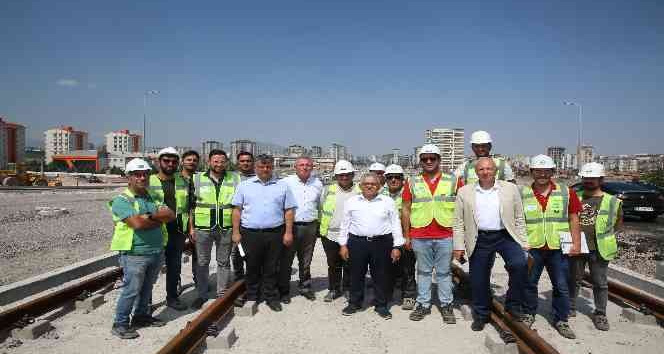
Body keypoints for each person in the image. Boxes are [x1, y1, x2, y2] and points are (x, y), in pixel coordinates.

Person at [453, 157, 528, 331]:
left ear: (495, 170)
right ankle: (481, 314)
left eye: (489, 169)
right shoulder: (465, 192)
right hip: (480, 238)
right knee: (478, 278)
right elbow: (457, 222)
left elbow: (519, 217)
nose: (485, 172)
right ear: (476, 172)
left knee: (519, 264)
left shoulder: (510, 189)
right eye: (481, 169)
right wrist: (458, 246)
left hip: (506, 236)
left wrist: (524, 242)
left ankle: (513, 304)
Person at [109, 158, 175, 339]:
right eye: (137, 175)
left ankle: (141, 316)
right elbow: (137, 224)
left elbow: (170, 215)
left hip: (155, 250)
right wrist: (155, 217)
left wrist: (149, 216)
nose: (142, 178)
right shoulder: (121, 200)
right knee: (131, 290)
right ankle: (120, 323)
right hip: (134, 253)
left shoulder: (151, 196)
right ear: (129, 177)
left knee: (147, 288)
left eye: (145, 174)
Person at [521, 154, 581, 339]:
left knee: (561, 286)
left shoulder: (565, 192)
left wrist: (576, 243)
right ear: (531, 172)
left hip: (558, 248)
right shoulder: (522, 193)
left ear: (552, 172)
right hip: (533, 247)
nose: (542, 175)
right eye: (538, 171)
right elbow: (518, 221)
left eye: (546, 171)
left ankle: (561, 319)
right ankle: (528, 313)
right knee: (529, 284)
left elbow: (573, 218)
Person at [231, 154, 297, 312]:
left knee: (271, 266)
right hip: (250, 233)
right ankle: (252, 295)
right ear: (256, 168)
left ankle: (270, 296)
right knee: (252, 265)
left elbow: (289, 211)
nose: (265, 169)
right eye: (261, 166)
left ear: (272, 167)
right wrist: (235, 232)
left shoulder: (282, 186)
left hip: (275, 233)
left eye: (268, 167)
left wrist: (288, 232)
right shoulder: (244, 186)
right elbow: (236, 210)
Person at [401, 144, 458, 324]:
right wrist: (407, 236)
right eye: (425, 158)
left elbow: (462, 210)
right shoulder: (412, 181)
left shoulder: (453, 181)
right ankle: (423, 304)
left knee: (444, 272)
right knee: (423, 272)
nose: (428, 161)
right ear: (420, 161)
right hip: (420, 234)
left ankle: (446, 305)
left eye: (432, 158)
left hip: (446, 234)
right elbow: (406, 209)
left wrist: (460, 240)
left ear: (439, 160)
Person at [339, 173, 404, 319]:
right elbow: (345, 224)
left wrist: (397, 246)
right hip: (357, 242)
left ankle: (381, 305)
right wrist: (343, 244)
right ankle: (354, 303)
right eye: (366, 183)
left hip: (382, 242)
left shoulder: (387, 201)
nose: (369, 186)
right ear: (361, 185)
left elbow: (395, 224)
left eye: (373, 184)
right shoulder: (352, 201)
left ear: (379, 186)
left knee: (381, 275)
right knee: (356, 274)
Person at [568, 162, 622, 331]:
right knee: (573, 280)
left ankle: (600, 313)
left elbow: (618, 224)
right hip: (577, 245)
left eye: (593, 178)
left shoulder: (612, 201)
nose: (589, 181)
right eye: (586, 178)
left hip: (599, 248)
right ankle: (570, 308)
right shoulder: (574, 196)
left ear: (601, 179)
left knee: (600, 283)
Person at [189, 149, 241, 309]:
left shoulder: (234, 178)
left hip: (226, 227)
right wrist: (191, 228)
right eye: (215, 161)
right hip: (203, 228)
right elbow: (190, 206)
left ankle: (221, 294)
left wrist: (236, 229)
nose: (219, 164)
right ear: (209, 161)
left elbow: (238, 206)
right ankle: (202, 294)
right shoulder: (197, 178)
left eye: (222, 161)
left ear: (226, 162)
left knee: (223, 262)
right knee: (203, 262)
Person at [147, 147, 190, 311]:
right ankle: (147, 302)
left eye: (174, 161)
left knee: (174, 267)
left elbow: (188, 206)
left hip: (177, 231)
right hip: (155, 231)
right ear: (159, 162)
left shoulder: (182, 181)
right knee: (151, 269)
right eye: (166, 161)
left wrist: (189, 228)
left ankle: (172, 297)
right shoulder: (149, 181)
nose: (170, 164)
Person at [279, 156, 323, 303]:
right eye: (302, 165)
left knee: (306, 260)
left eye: (308, 165)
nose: (305, 167)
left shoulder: (317, 183)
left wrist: (319, 225)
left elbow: (320, 205)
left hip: (310, 226)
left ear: (312, 167)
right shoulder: (285, 182)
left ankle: (305, 286)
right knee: (286, 260)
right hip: (291, 226)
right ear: (295, 167)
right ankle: (284, 290)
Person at [319, 160, 359, 302]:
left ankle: (348, 288)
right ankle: (334, 289)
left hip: (351, 234)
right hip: (330, 234)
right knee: (333, 264)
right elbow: (321, 208)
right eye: (341, 175)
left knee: (349, 263)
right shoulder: (328, 190)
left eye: (347, 174)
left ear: (352, 175)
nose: (344, 177)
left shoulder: (359, 191)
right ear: (336, 176)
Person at [383, 164, 417, 310]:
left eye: (397, 177)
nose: (393, 180)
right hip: (386, 237)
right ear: (386, 179)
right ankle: (387, 293)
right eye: (390, 177)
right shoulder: (380, 194)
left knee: (407, 268)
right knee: (386, 267)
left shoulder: (408, 193)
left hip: (405, 236)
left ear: (403, 179)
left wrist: (408, 235)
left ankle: (408, 295)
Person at [231, 151, 255, 291]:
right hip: (235, 221)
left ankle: (253, 279)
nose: (245, 163)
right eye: (242, 161)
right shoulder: (231, 178)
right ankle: (239, 280)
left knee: (252, 253)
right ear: (238, 162)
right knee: (237, 252)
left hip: (252, 222)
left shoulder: (260, 177)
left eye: (248, 161)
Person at [180, 150, 199, 292]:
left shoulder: (200, 179)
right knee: (175, 256)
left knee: (198, 255)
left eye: (194, 160)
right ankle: (176, 282)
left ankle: (198, 280)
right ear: (182, 161)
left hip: (197, 221)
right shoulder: (175, 178)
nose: (191, 162)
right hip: (178, 223)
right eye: (188, 159)